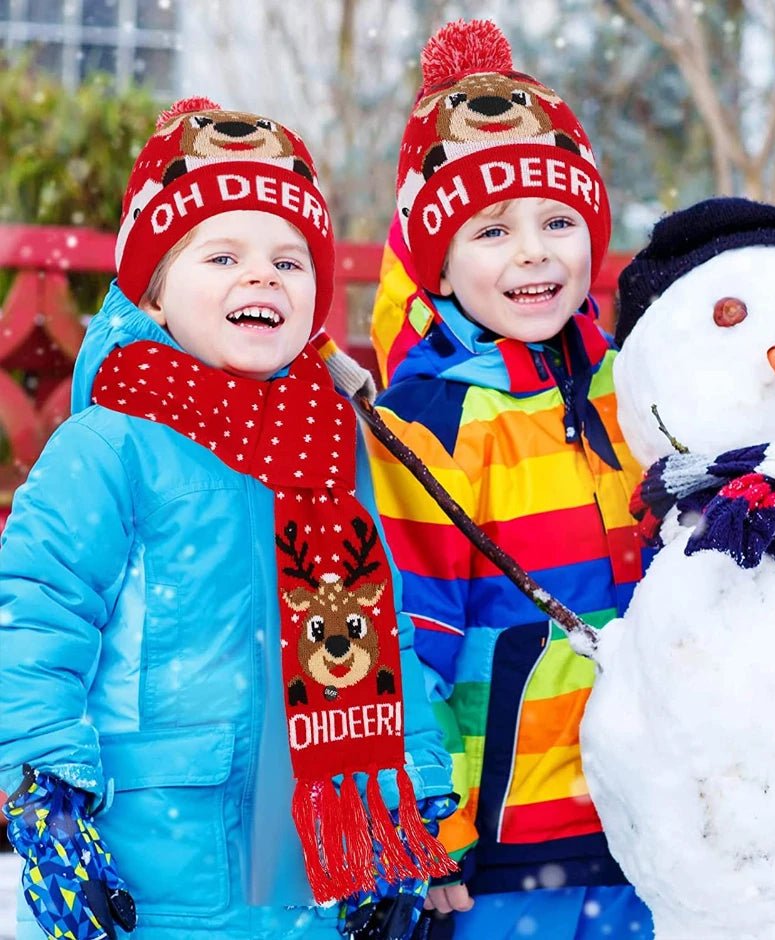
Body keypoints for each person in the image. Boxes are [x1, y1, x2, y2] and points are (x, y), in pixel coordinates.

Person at [0, 97, 455, 940]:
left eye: (291, 260)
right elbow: (34, 617)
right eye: (222, 255)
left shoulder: (331, 448)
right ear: (158, 297)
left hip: (310, 869)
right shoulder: (111, 447)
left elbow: (381, 643)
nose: (262, 277)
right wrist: (44, 794)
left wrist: (408, 808)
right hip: (144, 870)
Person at [365, 20, 655, 940]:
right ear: (436, 261)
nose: (533, 253)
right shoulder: (425, 421)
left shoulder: (640, 391)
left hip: (650, 822)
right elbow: (408, 634)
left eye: (558, 222)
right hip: (503, 843)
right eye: (491, 231)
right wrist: (428, 819)